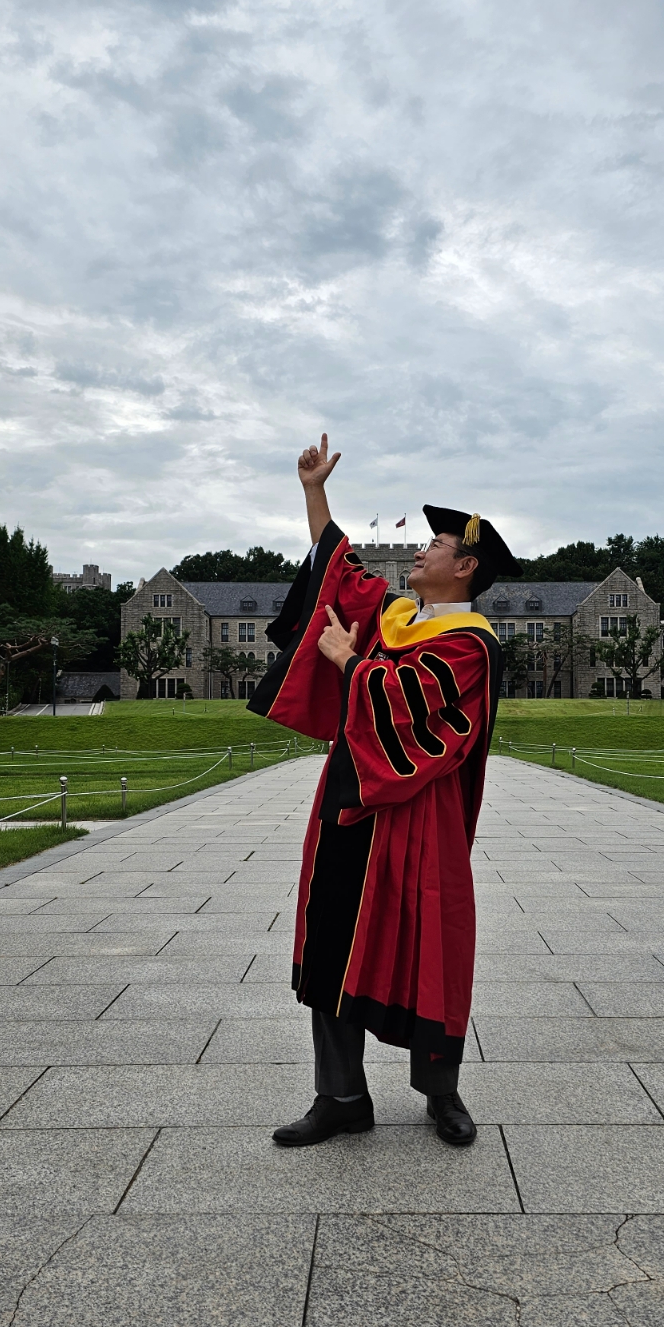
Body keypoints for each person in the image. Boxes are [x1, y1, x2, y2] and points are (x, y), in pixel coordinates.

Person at [247, 434, 522, 1148]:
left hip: (415, 814)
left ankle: (442, 1095)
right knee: (334, 937)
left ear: (464, 566)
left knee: (429, 944)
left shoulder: (472, 643)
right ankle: (340, 1095)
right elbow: (340, 570)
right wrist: (314, 490)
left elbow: (413, 703)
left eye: (433, 546)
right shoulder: (396, 619)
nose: (419, 553)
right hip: (349, 797)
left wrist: (351, 660)